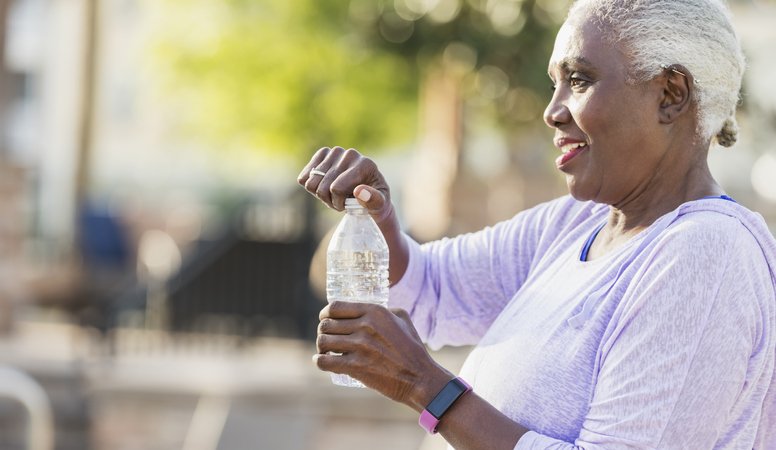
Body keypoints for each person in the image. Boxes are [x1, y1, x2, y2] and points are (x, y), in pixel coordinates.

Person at [297, 0, 776, 448]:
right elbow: (432, 289)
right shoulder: (577, 223)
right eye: (555, 83)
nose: (552, 110)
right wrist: (379, 217)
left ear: (670, 95)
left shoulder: (705, 253)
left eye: (581, 80)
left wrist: (426, 386)